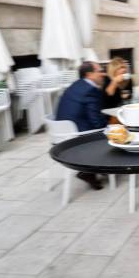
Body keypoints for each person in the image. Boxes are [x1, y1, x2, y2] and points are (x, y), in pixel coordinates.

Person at [56, 61, 108, 190]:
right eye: (100, 71)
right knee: (114, 131)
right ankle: (89, 171)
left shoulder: (75, 85)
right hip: (77, 136)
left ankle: (99, 167)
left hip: (61, 134)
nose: (103, 74)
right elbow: (97, 123)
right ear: (89, 74)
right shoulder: (91, 90)